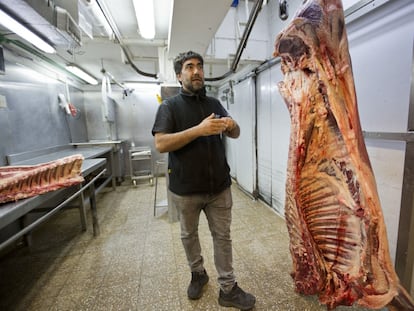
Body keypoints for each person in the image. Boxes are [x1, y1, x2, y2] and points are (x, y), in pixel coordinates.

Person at [151, 51, 256, 310]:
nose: (196, 71)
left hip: (219, 188)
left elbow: (236, 133)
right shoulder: (169, 107)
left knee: (223, 237)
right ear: (179, 75)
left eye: (199, 66)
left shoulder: (214, 103)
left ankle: (228, 289)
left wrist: (231, 125)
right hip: (186, 190)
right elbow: (161, 143)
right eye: (189, 67)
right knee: (189, 236)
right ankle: (198, 273)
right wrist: (199, 130)